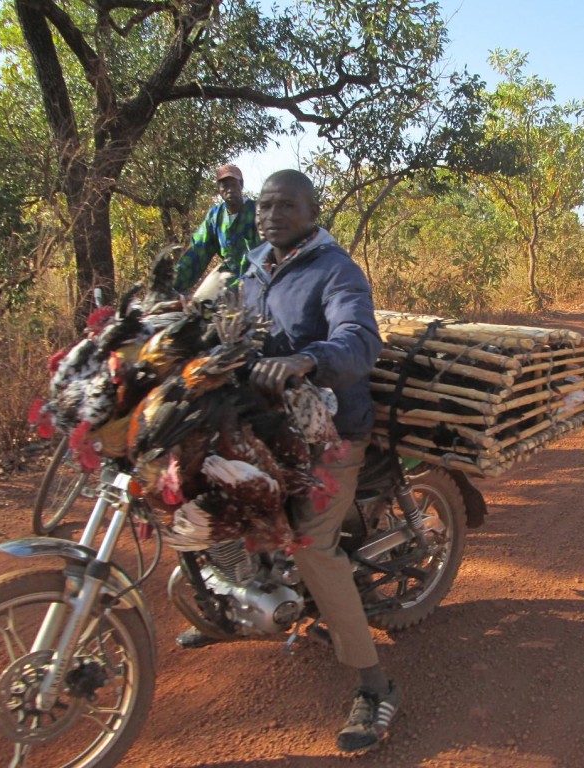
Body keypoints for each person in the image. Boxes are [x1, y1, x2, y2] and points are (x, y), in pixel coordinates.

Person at [178, 168, 398, 753]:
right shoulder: (250, 266)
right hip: (262, 420)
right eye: (267, 206)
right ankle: (230, 602)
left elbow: (360, 339)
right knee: (204, 487)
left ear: (312, 211)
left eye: (287, 206)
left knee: (312, 544)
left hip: (328, 429)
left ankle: (375, 685)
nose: (273, 215)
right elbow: (222, 322)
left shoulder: (336, 270)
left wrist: (307, 359)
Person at [173, 163, 261, 298]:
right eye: (225, 186)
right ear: (219, 189)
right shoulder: (215, 216)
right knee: (199, 305)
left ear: (241, 185)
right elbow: (197, 251)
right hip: (228, 278)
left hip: (256, 279)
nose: (230, 189)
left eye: (233, 184)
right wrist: (172, 283)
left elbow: (267, 253)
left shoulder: (256, 211)